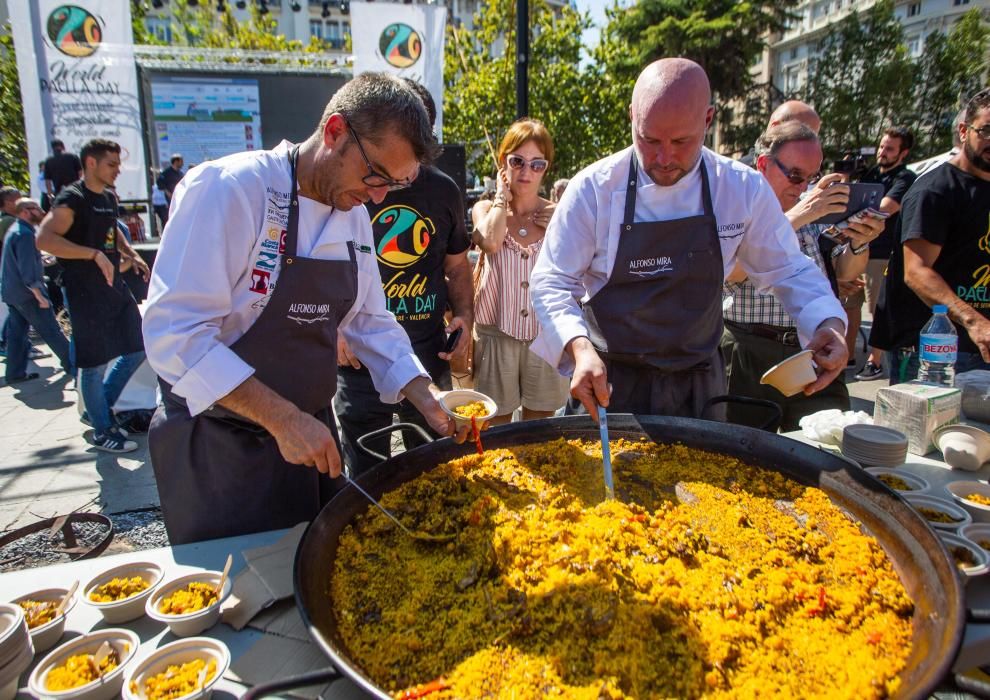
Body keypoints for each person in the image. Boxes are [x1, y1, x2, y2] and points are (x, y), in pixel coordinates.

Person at [142, 73, 470, 545]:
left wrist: (426, 398)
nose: (379, 197)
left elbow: (371, 322)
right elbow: (175, 335)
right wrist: (281, 417)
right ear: (335, 131)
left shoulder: (354, 214)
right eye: (376, 176)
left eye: (394, 185)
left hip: (309, 438)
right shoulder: (231, 189)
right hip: (222, 448)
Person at [529, 58, 847, 419]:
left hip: (699, 384)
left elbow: (788, 269)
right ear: (632, 117)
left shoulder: (739, 188)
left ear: (708, 120)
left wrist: (828, 324)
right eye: (648, 140)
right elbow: (552, 281)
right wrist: (578, 347)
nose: (664, 158)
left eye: (681, 141)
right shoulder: (595, 189)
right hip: (610, 379)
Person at [334, 79, 473, 476]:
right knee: (367, 467)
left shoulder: (444, 191)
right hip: (359, 360)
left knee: (434, 463)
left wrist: (464, 315)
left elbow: (458, 266)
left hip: (427, 352)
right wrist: (336, 329)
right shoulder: (349, 189)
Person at [721, 123, 884, 430]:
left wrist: (861, 240)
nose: (803, 186)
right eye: (795, 175)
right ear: (763, 164)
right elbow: (729, 273)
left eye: (811, 177)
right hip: (750, 349)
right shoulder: (735, 205)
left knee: (829, 448)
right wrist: (798, 217)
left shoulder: (814, 207)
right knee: (745, 456)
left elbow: (845, 272)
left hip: (812, 350)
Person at [36, 139, 150, 454]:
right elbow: (44, 239)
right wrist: (92, 255)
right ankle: (103, 431)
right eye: (111, 164)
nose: (118, 170)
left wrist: (131, 254)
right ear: (90, 163)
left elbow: (110, 231)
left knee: (139, 348)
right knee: (93, 364)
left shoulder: (109, 198)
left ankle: (101, 410)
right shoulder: (71, 199)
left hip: (114, 289)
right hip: (84, 292)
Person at [870, 88, 990, 383]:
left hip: (981, 349)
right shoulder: (934, 190)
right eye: (987, 130)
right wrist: (974, 321)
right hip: (935, 351)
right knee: (925, 430)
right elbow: (916, 271)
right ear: (964, 131)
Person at [471, 118, 570, 424]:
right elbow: (489, 241)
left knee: (538, 434)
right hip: (495, 337)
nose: (526, 172)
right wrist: (502, 196)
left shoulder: (560, 215)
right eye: (517, 161)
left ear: (546, 168)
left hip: (545, 336)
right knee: (496, 433)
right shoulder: (486, 210)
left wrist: (561, 220)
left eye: (537, 164)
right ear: (504, 163)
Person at [854, 127, 917, 381]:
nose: (882, 152)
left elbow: (883, 209)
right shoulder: (868, 174)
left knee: (878, 308)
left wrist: (857, 212)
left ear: (903, 153)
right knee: (848, 304)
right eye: (881, 146)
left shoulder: (905, 178)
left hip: (882, 252)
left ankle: (875, 360)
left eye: (890, 148)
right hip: (855, 247)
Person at [1, 198, 73, 384]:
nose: (41, 211)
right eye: (37, 208)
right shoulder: (25, 234)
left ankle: (14, 373)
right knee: (51, 330)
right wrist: (39, 295)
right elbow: (26, 270)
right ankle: (73, 366)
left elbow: (21, 262)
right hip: (28, 294)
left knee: (17, 335)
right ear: (25, 211)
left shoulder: (16, 230)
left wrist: (41, 261)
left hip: (14, 292)